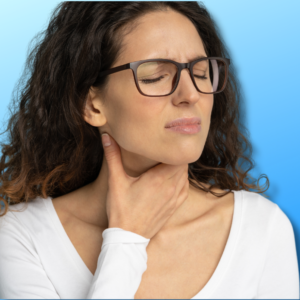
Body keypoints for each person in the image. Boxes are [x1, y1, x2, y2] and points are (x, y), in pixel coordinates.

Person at [0, 1, 298, 299]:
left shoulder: (262, 229)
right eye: (155, 76)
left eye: (202, 72)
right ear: (91, 105)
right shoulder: (23, 237)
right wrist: (126, 238)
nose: (191, 94)